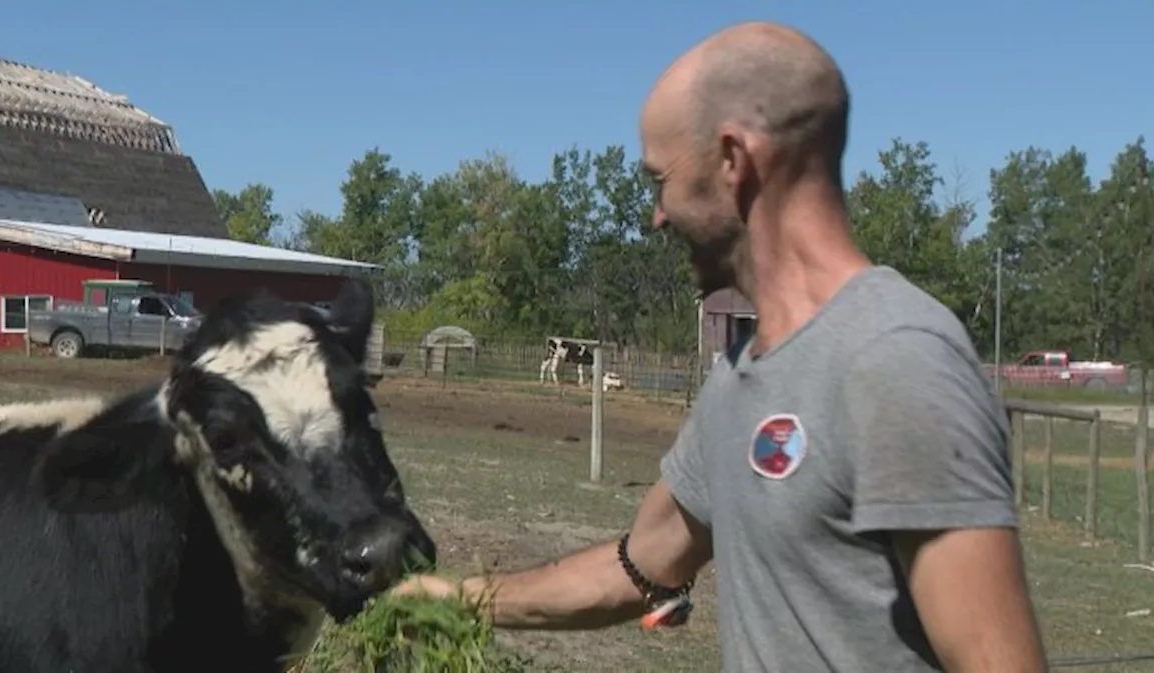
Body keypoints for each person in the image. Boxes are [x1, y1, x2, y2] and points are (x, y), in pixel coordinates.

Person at [391, 20, 1048, 673]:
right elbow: (640, 564)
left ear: (733, 159)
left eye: (660, 181)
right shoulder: (740, 373)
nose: (657, 214)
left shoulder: (898, 359)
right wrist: (463, 599)